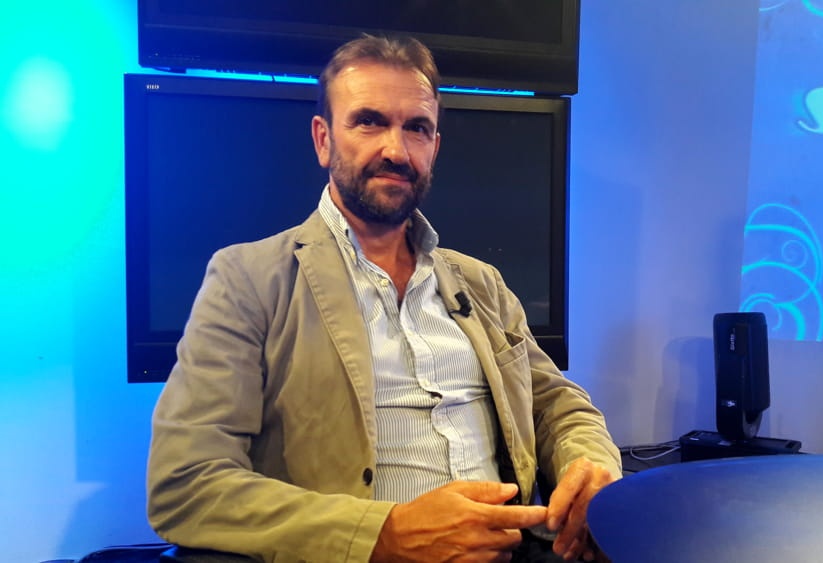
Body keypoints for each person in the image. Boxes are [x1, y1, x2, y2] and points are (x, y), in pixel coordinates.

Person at [146, 34, 622, 563]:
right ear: (323, 139)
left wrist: (590, 463)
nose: (396, 151)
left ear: (434, 146)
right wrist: (383, 534)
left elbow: (557, 404)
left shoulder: (481, 282)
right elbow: (185, 483)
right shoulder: (247, 279)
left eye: (416, 128)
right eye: (369, 122)